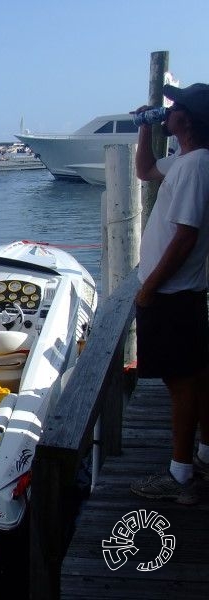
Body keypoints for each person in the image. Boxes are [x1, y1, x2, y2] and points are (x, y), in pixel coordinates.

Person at [130, 82, 209, 505]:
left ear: (188, 120)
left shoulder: (197, 165)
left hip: (173, 294)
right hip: (180, 293)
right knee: (197, 377)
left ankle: (180, 475)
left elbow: (185, 238)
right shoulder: (185, 160)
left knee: (181, 384)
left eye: (175, 106)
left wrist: (150, 288)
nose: (169, 110)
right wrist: (145, 128)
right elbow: (144, 172)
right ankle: (205, 455)